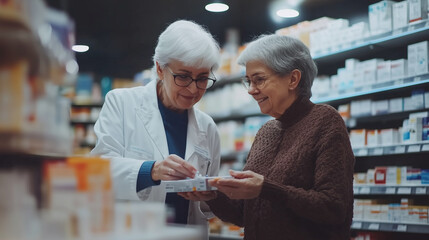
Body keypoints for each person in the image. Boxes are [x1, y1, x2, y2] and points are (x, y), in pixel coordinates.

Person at [179, 34, 355, 239]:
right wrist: (211, 196)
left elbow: (333, 208)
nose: (251, 91)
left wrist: (265, 188)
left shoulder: (325, 121)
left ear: (293, 79)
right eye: (248, 81)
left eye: (259, 79)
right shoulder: (267, 131)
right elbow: (243, 214)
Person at [91, 20, 220, 234]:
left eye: (202, 78)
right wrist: (151, 170)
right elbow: (99, 170)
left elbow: (207, 208)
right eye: (183, 76)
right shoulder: (122, 103)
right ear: (160, 68)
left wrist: (211, 195)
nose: (193, 88)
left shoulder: (208, 127)